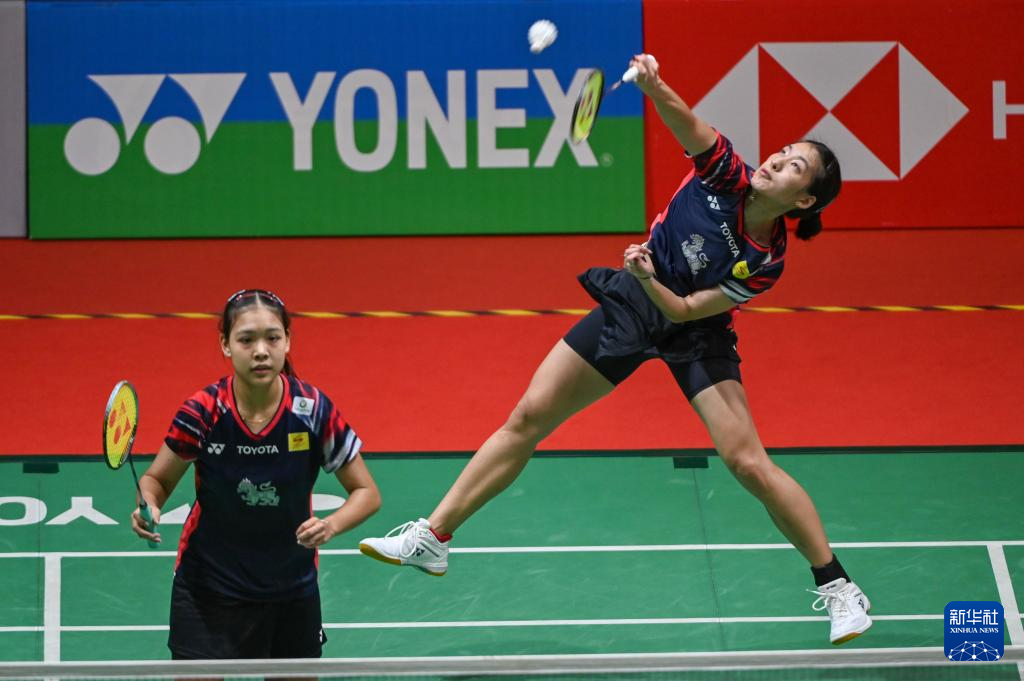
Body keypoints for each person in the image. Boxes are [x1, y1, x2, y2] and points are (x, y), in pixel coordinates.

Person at [358, 54, 871, 645]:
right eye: (782, 152)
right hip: (634, 303)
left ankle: (838, 586)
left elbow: (687, 310)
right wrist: (655, 84)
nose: (776, 160)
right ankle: (433, 537)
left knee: (747, 462)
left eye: (794, 166)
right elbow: (687, 123)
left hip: (693, 329)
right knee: (528, 416)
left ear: (803, 201)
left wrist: (648, 276)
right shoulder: (724, 173)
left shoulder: (765, 261)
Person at [131, 288, 381, 659]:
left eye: (272, 338)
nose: (261, 351)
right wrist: (149, 503)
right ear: (226, 345)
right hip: (208, 588)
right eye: (246, 340)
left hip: (291, 588)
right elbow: (158, 479)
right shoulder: (203, 411)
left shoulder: (312, 409)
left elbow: (366, 493)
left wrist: (331, 526)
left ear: (287, 341)